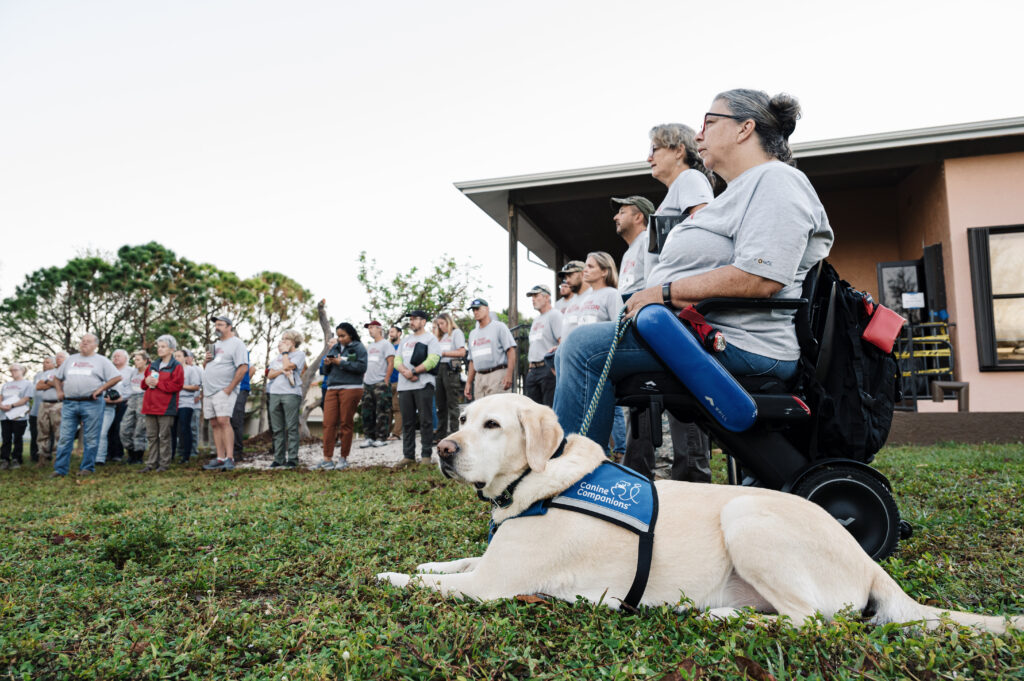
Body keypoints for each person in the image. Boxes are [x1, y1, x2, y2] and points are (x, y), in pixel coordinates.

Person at [553, 89, 834, 454]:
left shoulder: (776, 179)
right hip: (705, 334)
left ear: (745, 129)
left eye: (710, 122)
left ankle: (571, 479)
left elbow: (762, 277)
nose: (698, 135)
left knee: (582, 348)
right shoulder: (742, 189)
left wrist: (662, 293)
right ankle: (586, 468)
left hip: (745, 344)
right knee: (577, 349)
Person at [631, 123, 720, 482]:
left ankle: (694, 481)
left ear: (679, 150)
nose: (649, 156)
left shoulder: (690, 181)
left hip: (678, 311)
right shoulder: (674, 193)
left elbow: (707, 238)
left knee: (685, 404)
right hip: (662, 309)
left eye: (656, 148)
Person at [48, 334, 122, 478]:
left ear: (96, 345)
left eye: (88, 342)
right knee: (65, 437)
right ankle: (60, 469)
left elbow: (117, 377)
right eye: (82, 341)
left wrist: (101, 389)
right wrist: (59, 391)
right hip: (70, 403)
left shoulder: (101, 361)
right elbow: (57, 378)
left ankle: (87, 468)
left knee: (91, 437)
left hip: (92, 403)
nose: (84, 343)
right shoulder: (71, 359)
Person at [393, 310, 441, 468]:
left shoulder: (430, 339)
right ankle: (408, 456)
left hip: (423, 384)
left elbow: (433, 359)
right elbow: (397, 359)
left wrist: (414, 371)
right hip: (404, 386)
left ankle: (426, 455)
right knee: (407, 422)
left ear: (423, 321)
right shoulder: (405, 340)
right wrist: (405, 372)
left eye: (415, 319)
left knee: (425, 420)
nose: (412, 321)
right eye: (410, 319)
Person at [316, 323, 367, 470]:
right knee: (328, 423)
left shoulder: (359, 348)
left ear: (351, 334)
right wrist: (327, 363)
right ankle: (327, 459)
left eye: (342, 336)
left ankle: (343, 458)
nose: (340, 339)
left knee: (345, 423)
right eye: (338, 336)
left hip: (351, 388)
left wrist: (340, 363)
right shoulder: (335, 347)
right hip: (332, 388)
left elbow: (362, 367)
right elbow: (324, 371)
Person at [202, 316, 249, 472]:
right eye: (216, 325)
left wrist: (229, 388)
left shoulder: (237, 343)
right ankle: (220, 458)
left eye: (220, 324)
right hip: (209, 390)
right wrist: (205, 361)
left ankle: (230, 458)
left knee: (224, 421)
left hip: (224, 389)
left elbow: (243, 367)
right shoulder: (214, 345)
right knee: (214, 423)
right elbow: (207, 367)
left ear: (229, 327)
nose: (217, 327)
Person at [140, 335, 184, 473]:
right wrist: (146, 382)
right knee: (151, 437)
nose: (160, 349)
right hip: (149, 406)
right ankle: (151, 463)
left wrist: (159, 383)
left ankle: (164, 464)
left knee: (164, 436)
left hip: (166, 407)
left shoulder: (176, 366)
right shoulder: (152, 365)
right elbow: (143, 385)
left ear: (171, 349)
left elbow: (177, 386)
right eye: (158, 347)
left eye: (163, 346)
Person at [267, 329, 307, 468]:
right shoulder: (276, 357)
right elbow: (270, 374)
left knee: (291, 427)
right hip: (274, 393)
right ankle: (278, 458)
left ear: (294, 342)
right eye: (282, 338)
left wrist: (284, 354)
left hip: (290, 394)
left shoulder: (299, 354)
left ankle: (292, 459)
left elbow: (288, 366)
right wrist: (281, 371)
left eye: (286, 339)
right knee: (277, 428)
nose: (283, 341)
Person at [464, 299, 516, 401]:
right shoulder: (473, 334)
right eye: (473, 310)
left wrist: (509, 375)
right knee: (481, 413)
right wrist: (469, 382)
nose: (475, 312)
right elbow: (472, 361)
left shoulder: (499, 327)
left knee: (497, 411)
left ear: (487, 309)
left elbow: (511, 350)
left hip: (497, 374)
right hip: (479, 377)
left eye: (477, 309)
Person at [523, 285, 562, 407]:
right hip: (533, 370)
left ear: (547, 297)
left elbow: (562, 341)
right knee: (533, 410)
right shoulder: (536, 320)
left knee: (549, 410)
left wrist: (556, 367)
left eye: (536, 295)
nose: (533, 299)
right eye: (531, 297)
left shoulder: (555, 315)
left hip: (548, 369)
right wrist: (530, 368)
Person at [610, 196, 656, 298]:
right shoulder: (629, 251)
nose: (615, 217)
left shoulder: (647, 240)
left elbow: (654, 284)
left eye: (622, 212)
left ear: (638, 217)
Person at [358, 321, 394, 449]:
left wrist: (386, 379)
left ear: (380, 329)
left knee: (382, 411)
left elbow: (391, 362)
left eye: (372, 327)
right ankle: (369, 437)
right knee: (367, 412)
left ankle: (381, 437)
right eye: (368, 328)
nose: (370, 330)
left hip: (380, 383)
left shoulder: (386, 344)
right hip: (368, 383)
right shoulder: (370, 346)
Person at [432, 313, 466, 439]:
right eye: (438, 324)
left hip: (450, 368)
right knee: (440, 405)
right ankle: (441, 434)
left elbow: (462, 352)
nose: (440, 327)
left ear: (448, 322)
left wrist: (444, 353)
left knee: (452, 404)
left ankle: (454, 433)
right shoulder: (440, 336)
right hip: (439, 369)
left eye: (442, 324)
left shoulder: (456, 333)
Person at [0, 364, 33, 469]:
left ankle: (16, 459)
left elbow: (26, 399)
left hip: (18, 416)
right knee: (6, 438)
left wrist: (12, 405)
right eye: (11, 370)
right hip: (5, 416)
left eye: (15, 370)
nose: (12, 372)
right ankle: (5, 459)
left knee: (18, 438)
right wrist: (1, 405)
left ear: (22, 371)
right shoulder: (6, 385)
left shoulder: (27, 384)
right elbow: (1, 397)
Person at [120, 351, 149, 464]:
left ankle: (138, 456)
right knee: (124, 428)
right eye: (134, 360)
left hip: (144, 398)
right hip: (132, 399)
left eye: (138, 360)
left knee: (140, 429)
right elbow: (127, 386)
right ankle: (130, 453)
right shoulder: (133, 372)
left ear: (145, 361)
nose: (135, 362)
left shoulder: (149, 372)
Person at [173, 349, 202, 464]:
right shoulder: (172, 371)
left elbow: (196, 387)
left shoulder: (191, 370)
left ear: (185, 358)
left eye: (179, 356)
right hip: (173, 403)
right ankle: (171, 455)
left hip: (186, 403)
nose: (176, 358)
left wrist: (181, 386)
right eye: (174, 356)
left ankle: (187, 455)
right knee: (173, 429)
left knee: (185, 428)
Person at [34, 355, 62, 465]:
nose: (44, 364)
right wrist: (53, 384)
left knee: (58, 432)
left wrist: (47, 382)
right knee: (42, 431)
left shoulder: (61, 372)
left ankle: (57, 457)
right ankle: (42, 457)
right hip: (44, 404)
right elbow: (38, 386)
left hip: (58, 404)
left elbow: (61, 385)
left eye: (48, 362)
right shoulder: (45, 373)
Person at [104, 349, 131, 464]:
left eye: (119, 356)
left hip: (124, 402)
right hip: (108, 403)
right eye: (114, 356)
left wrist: (123, 398)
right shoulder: (109, 370)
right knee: (108, 427)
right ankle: (108, 453)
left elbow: (133, 388)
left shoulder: (131, 371)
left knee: (119, 428)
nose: (116, 358)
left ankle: (118, 453)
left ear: (126, 358)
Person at [230, 353, 255, 461]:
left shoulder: (243, 352)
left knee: (236, 419)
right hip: (226, 389)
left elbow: (252, 369)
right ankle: (227, 452)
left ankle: (237, 452)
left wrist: (243, 380)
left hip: (240, 389)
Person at [557, 261, 588, 341]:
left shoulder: (594, 295)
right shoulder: (572, 301)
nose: (567, 280)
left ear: (582, 273)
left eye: (570, 275)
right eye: (566, 277)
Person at [387, 324, 403, 440]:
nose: (391, 334)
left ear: (399, 333)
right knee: (387, 409)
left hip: (399, 381)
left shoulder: (403, 346)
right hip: (388, 382)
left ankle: (396, 433)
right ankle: (384, 433)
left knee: (397, 408)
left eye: (393, 332)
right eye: (390, 332)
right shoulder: (388, 347)